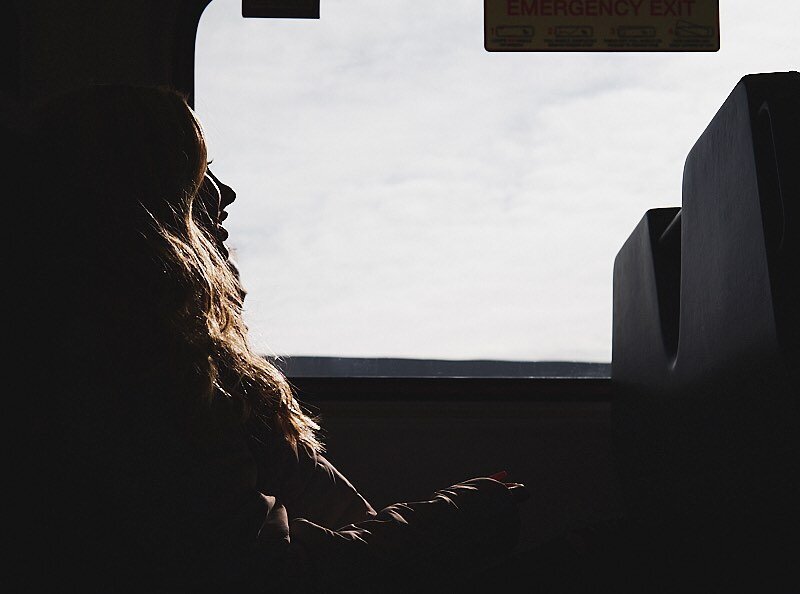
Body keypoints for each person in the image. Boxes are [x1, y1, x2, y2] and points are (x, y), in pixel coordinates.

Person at [21, 84, 527, 593]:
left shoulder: (184, 364)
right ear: (143, 202)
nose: (225, 193)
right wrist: (455, 521)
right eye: (197, 171)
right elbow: (272, 578)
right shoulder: (143, 383)